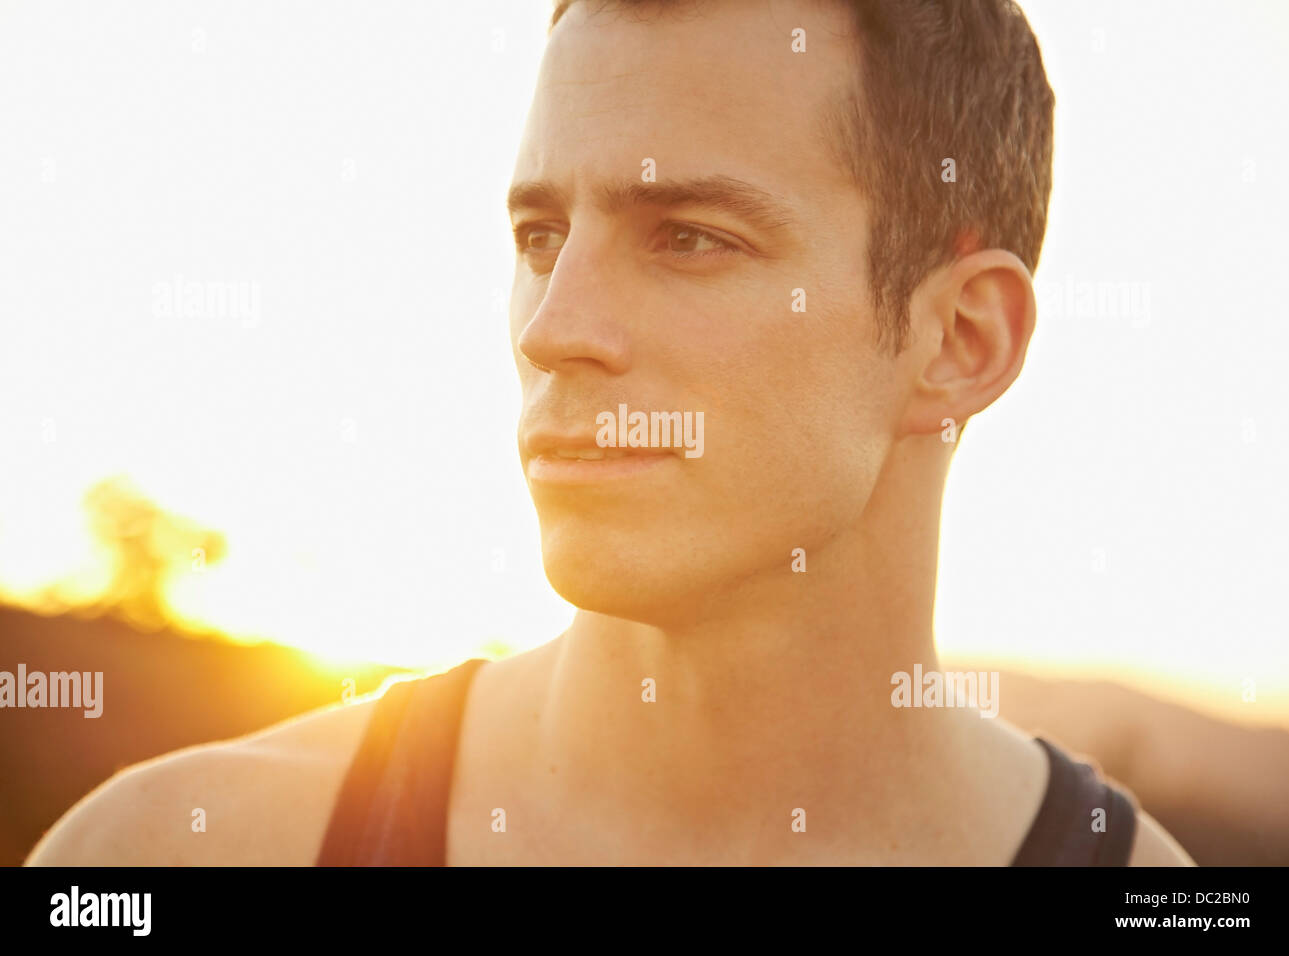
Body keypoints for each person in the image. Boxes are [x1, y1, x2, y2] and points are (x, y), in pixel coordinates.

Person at [27, 0, 1195, 866]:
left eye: (689, 237)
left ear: (960, 341)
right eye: (541, 237)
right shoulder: (174, 852)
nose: (552, 328)